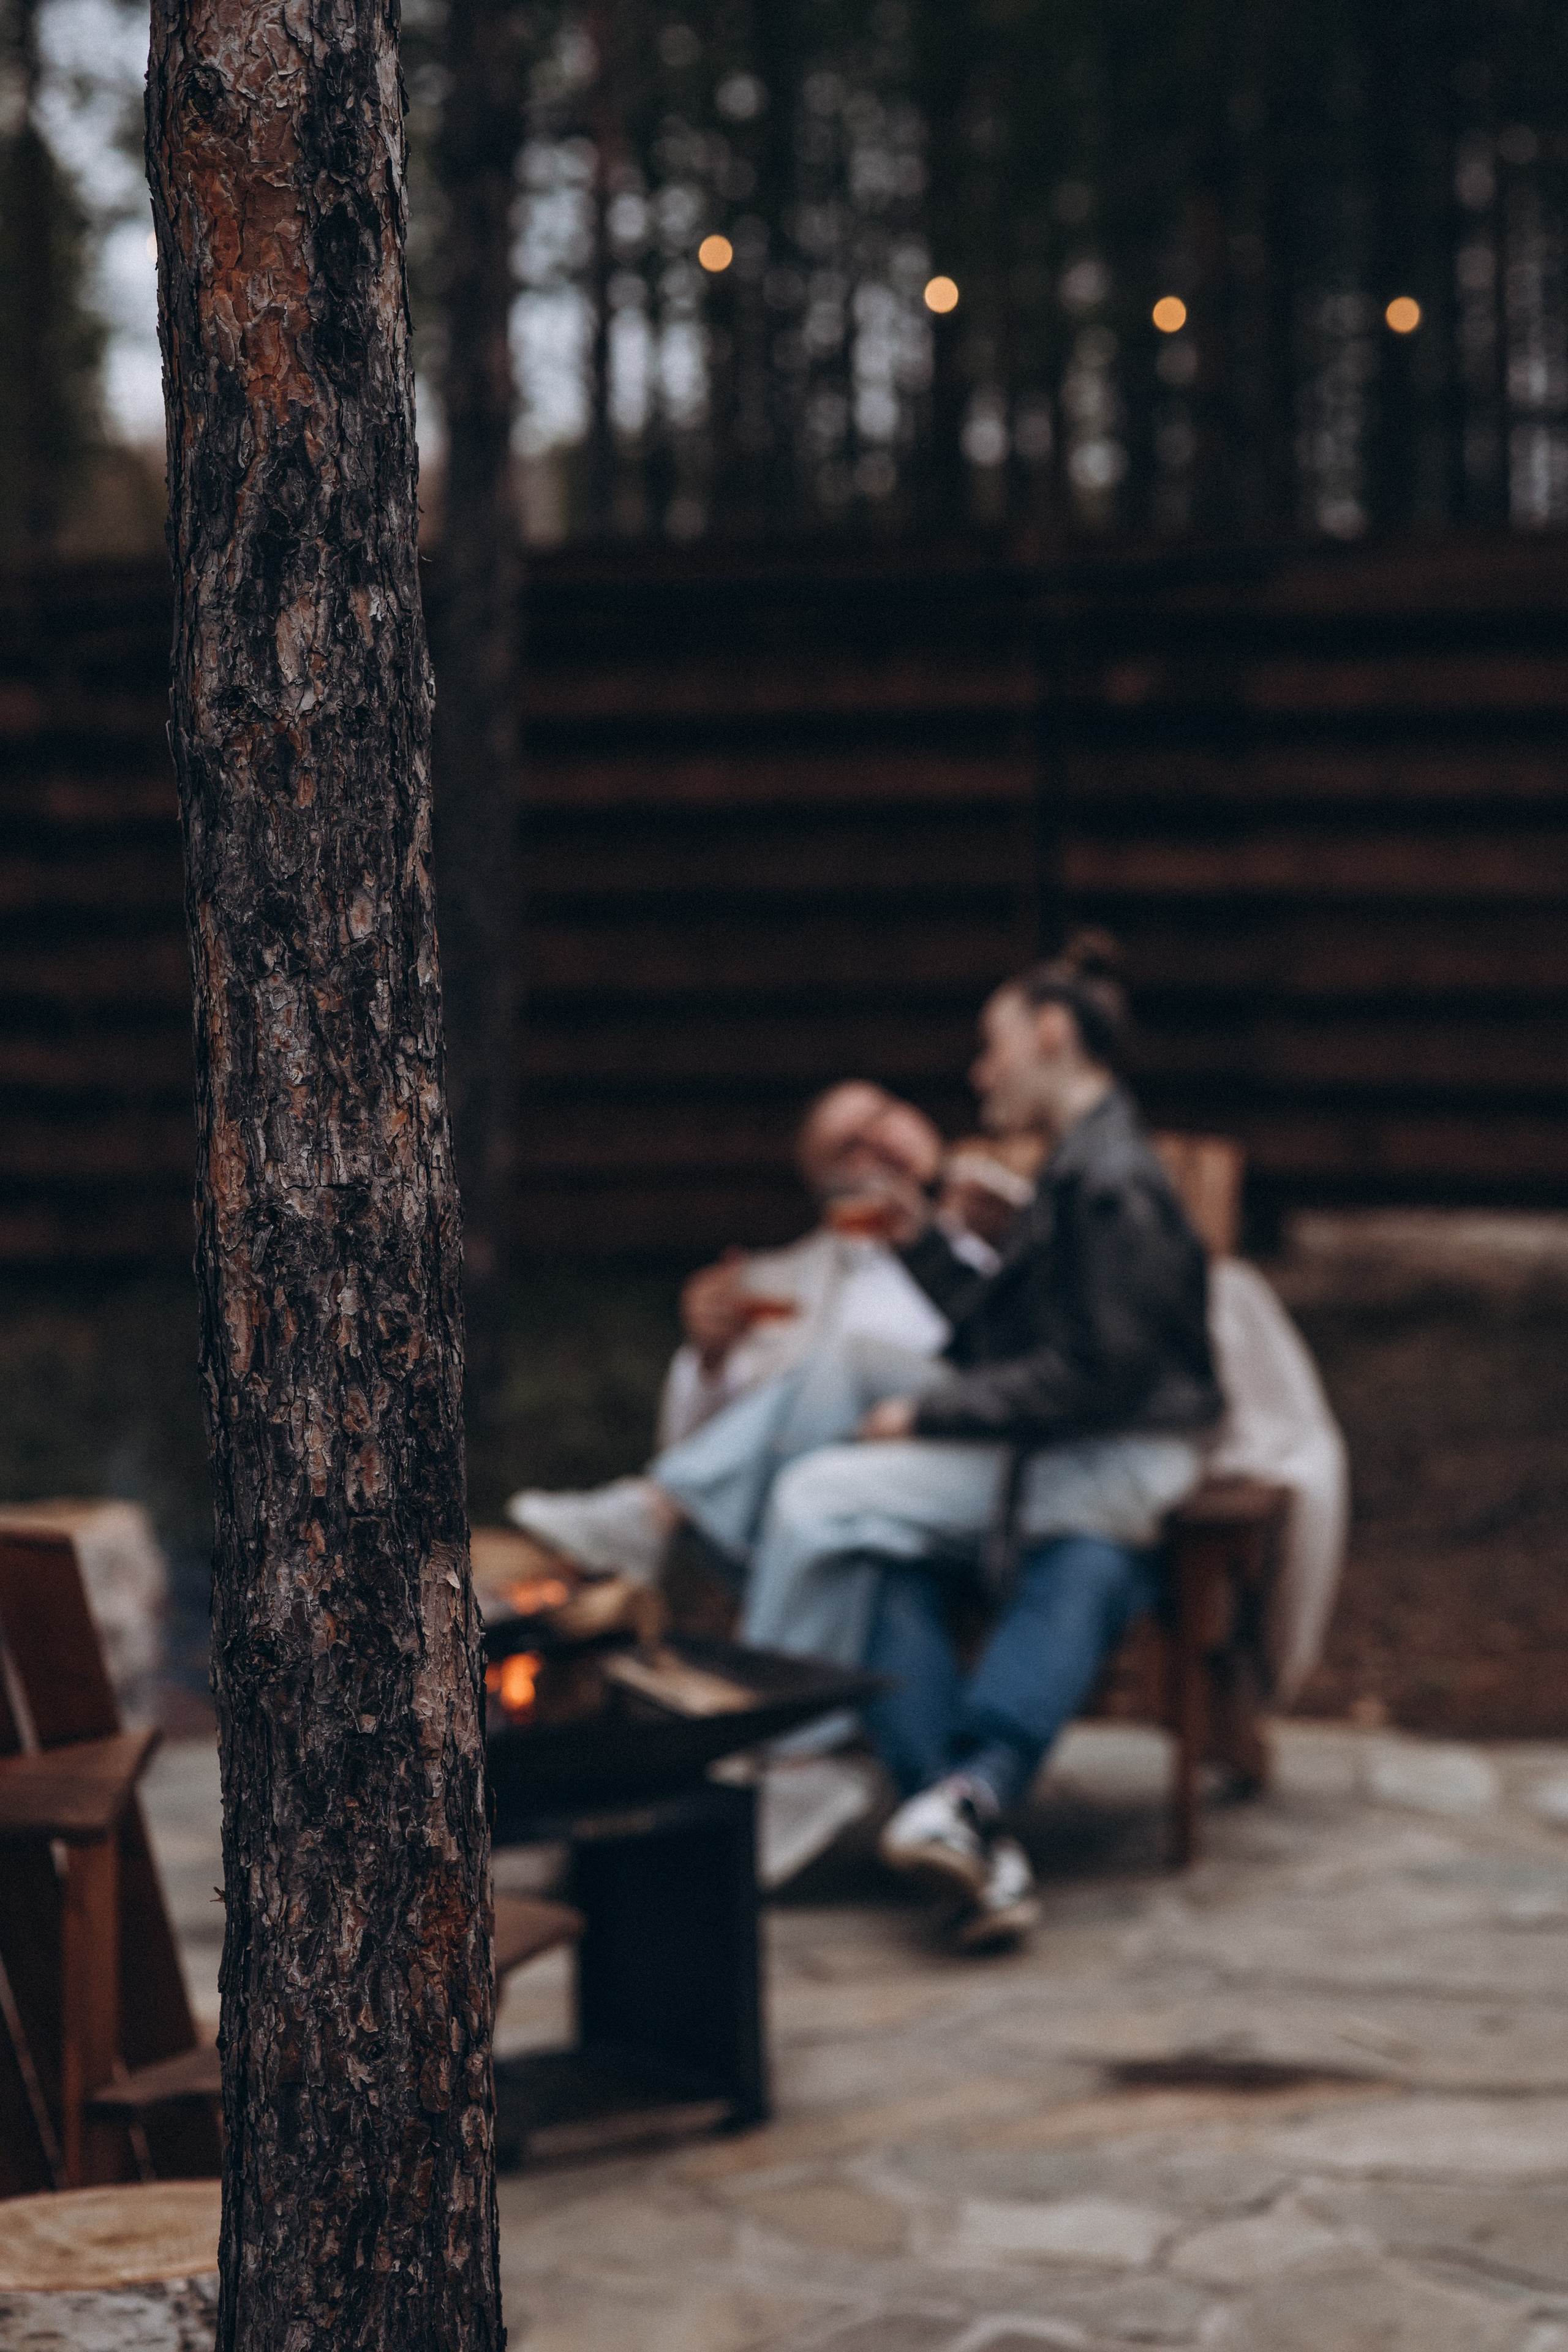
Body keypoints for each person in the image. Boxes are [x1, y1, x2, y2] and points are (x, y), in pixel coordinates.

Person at [508, 932, 1223, 1948]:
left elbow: (1102, 1376)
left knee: (816, 1500)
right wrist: (924, 1241)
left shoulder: (1111, 1183)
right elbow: (1010, 1341)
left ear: (1053, 1036)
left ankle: (784, 1756)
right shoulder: (1084, 1164)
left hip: (1101, 1470)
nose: (979, 1074)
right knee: (839, 1368)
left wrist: (926, 1417)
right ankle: (650, 1514)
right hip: (1053, 1445)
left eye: (993, 1047)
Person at [655, 1081, 956, 1449]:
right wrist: (710, 1361)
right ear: (824, 1185)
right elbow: (698, 1432)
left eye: (883, 1114)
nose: (879, 1142)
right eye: (850, 1146)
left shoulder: (1016, 1220)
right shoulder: (785, 1285)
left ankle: (652, 1506)